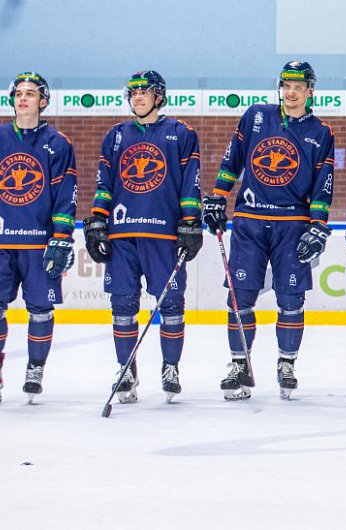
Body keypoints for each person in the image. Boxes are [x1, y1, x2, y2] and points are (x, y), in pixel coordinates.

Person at [202, 61, 335, 400]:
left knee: (291, 297)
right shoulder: (255, 116)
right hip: (249, 219)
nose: (291, 92)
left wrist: (318, 225)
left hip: (292, 225)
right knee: (240, 295)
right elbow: (232, 161)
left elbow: (323, 185)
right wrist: (218, 197)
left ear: (310, 91)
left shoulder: (321, 132)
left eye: (298, 87)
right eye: (286, 86)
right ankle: (239, 365)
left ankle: (286, 363)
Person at [84, 71, 202, 404]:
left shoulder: (181, 133)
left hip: (163, 234)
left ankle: (170, 367)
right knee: (122, 304)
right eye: (133, 92)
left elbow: (190, 181)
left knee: (172, 303)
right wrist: (97, 219)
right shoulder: (116, 135)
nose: (137, 97)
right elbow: (105, 182)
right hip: (122, 234)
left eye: (144, 92)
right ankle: (126, 371)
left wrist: (191, 221)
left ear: (159, 96)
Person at [0, 72, 76, 404]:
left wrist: (61, 237)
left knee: (41, 310)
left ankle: (35, 369)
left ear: (43, 101)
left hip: (38, 244)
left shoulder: (58, 143)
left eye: (30, 93)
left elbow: (65, 195)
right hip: (2, 243)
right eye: (18, 93)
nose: (22, 98)